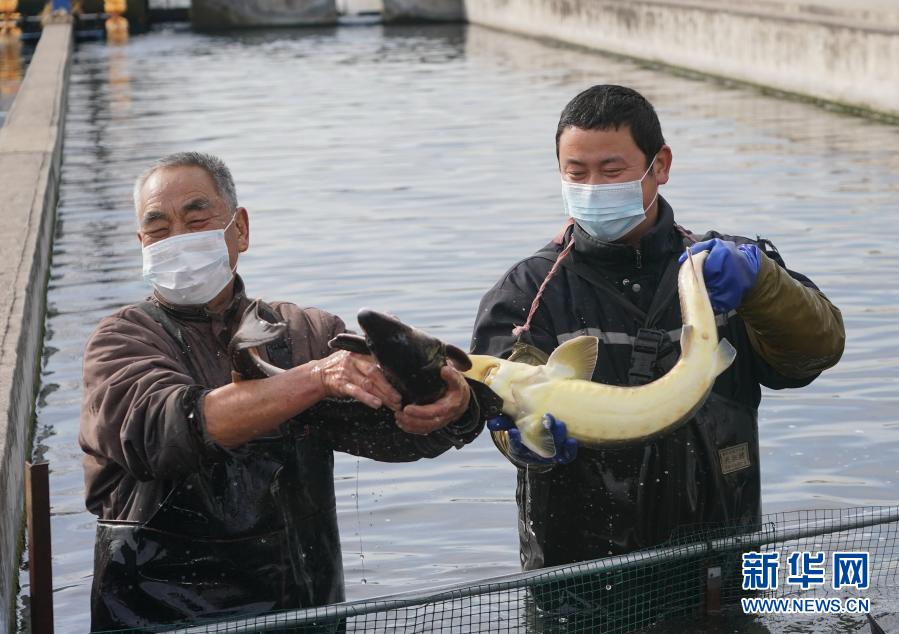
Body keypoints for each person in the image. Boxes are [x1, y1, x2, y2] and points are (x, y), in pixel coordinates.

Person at [79, 152, 497, 630]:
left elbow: (397, 433)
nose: (178, 239)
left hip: (303, 613)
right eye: (159, 229)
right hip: (158, 615)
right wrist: (315, 379)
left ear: (240, 229)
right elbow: (165, 431)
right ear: (141, 243)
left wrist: (453, 407)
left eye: (197, 219)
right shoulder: (121, 341)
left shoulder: (305, 333)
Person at [471, 85, 845, 577]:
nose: (593, 188)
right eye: (575, 173)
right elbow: (495, 399)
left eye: (612, 170)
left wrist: (764, 284)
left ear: (660, 166)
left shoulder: (724, 270)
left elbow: (814, 353)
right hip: (581, 577)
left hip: (718, 563)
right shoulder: (527, 292)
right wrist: (519, 441)